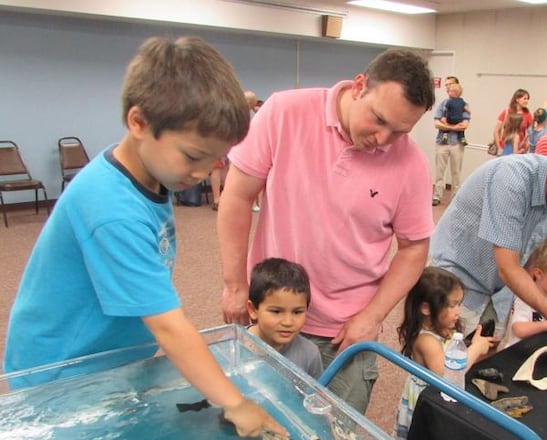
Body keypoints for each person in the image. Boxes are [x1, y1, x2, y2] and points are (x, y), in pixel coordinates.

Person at [3, 36, 285, 438]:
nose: (203, 173)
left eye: (215, 160)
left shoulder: (150, 168)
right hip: (64, 371)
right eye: (192, 156)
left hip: (111, 358)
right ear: (139, 123)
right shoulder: (111, 210)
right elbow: (169, 326)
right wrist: (236, 403)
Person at [217, 48, 435, 414]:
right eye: (378, 120)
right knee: (254, 423)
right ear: (360, 86)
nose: (383, 138)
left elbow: (414, 249)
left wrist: (373, 316)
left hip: (346, 334)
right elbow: (237, 196)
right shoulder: (284, 111)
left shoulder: (411, 162)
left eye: (400, 131)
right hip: (271, 314)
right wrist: (235, 284)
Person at [430, 144, 547, 363]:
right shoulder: (511, 178)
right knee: (442, 365)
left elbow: (529, 263)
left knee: (483, 363)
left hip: (499, 291)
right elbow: (508, 267)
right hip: (457, 279)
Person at [393, 267, 493, 439]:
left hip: (438, 399)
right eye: (452, 305)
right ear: (426, 308)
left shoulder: (445, 329)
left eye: (459, 304)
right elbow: (447, 376)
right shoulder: (427, 341)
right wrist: (475, 349)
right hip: (426, 403)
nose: (458, 312)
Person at [246, 258, 323, 378]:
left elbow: (315, 394)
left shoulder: (310, 353)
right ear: (253, 310)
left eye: (297, 312)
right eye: (276, 311)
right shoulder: (232, 347)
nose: (288, 322)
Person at [433, 76, 470, 206]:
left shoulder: (463, 104)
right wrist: (452, 127)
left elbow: (464, 124)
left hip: (457, 143)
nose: (448, 87)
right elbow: (437, 123)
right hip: (442, 142)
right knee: (439, 172)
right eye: (446, 85)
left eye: (451, 84)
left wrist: (449, 127)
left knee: (456, 172)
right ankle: (437, 196)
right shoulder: (443, 104)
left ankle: (455, 197)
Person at [493, 89, 532, 153]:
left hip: (520, 148)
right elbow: (496, 131)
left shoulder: (527, 114)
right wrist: (499, 147)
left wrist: (526, 145)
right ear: (517, 99)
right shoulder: (506, 112)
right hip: (506, 147)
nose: (526, 101)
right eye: (525, 98)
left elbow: (531, 132)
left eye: (527, 99)